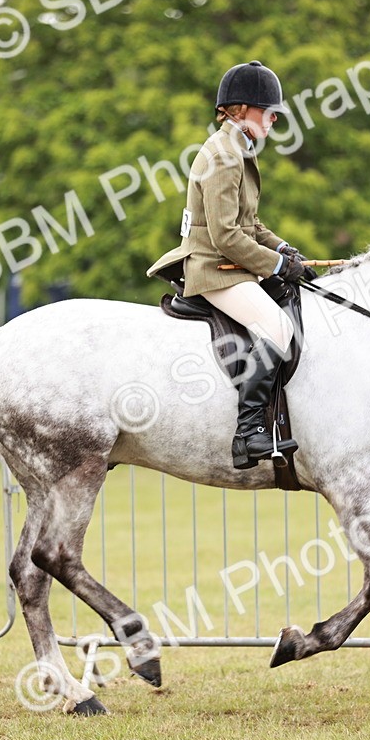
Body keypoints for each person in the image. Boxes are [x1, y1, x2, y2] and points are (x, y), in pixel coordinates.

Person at [147, 60, 313, 470]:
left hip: (230, 263)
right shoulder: (222, 156)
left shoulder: (236, 149)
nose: (274, 118)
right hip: (213, 268)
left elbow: (250, 225)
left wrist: (287, 252)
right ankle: (249, 431)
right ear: (241, 109)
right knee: (277, 327)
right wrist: (275, 265)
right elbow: (225, 236)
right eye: (268, 110)